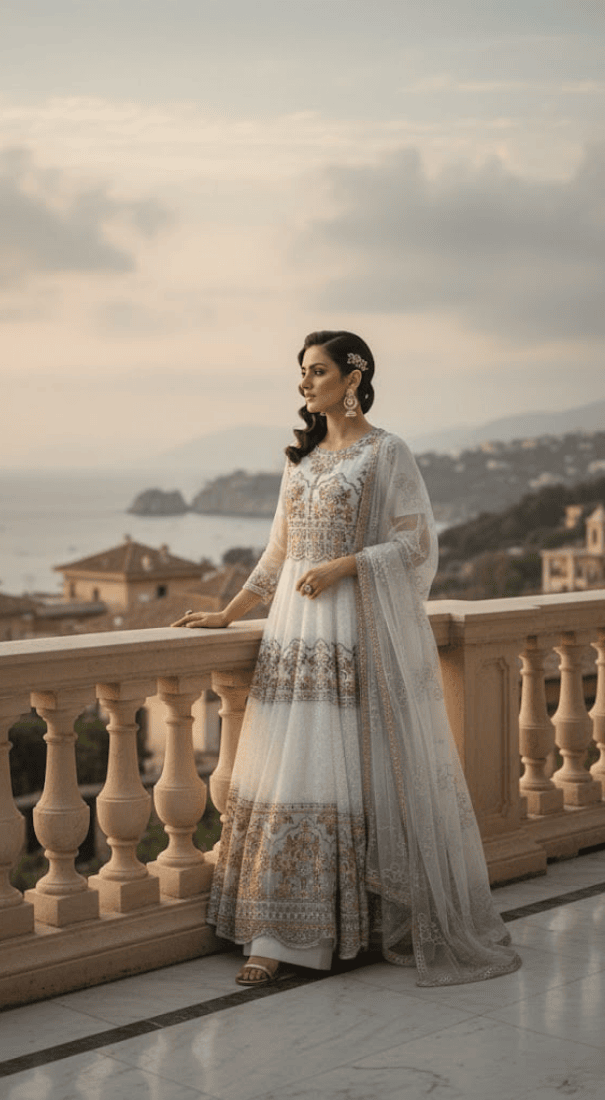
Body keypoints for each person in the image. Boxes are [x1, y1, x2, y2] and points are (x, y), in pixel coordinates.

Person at [173, 330, 521, 988]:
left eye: (316, 371)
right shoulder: (299, 463)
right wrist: (227, 614)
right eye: (302, 373)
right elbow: (277, 554)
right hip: (291, 640)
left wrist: (346, 566)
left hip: (348, 632)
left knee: (340, 777)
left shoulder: (386, 454)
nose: (304, 384)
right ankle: (273, 931)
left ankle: (335, 928)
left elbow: (415, 546)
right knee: (291, 776)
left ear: (352, 377)